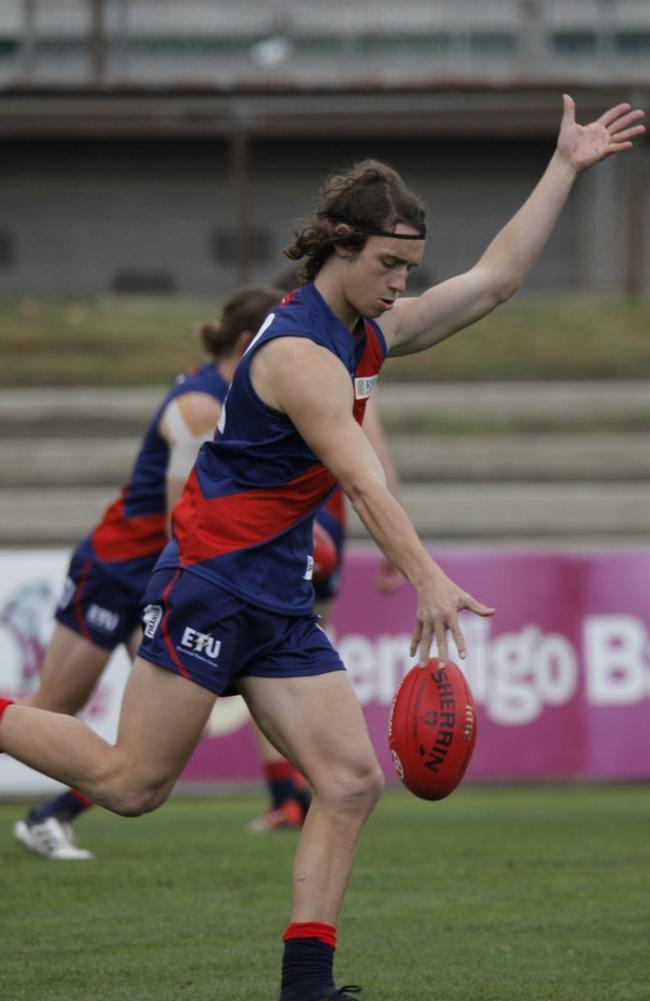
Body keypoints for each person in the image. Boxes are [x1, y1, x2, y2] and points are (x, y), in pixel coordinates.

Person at [0, 96, 643, 1001]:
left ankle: (307, 985)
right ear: (340, 244)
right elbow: (362, 479)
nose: (398, 285)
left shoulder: (363, 333)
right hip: (211, 584)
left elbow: (493, 281)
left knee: (347, 781)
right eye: (388, 265)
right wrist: (427, 576)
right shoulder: (304, 354)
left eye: (408, 269)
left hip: (276, 598)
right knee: (129, 784)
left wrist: (565, 168)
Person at [13, 284, 283, 860]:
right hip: (117, 569)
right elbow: (178, 522)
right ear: (247, 341)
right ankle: (47, 817)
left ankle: (49, 816)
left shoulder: (227, 394)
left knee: (163, 729)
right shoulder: (203, 405)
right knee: (51, 708)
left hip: (155, 575)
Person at [248, 393, 404, 833]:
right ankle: (316, 787)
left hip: (277, 531)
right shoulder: (348, 375)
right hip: (323, 533)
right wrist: (392, 545)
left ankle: (290, 796)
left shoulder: (267, 368)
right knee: (305, 651)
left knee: (261, 659)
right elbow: (378, 463)